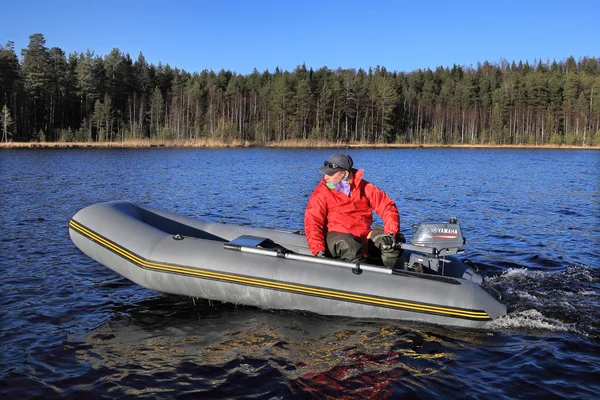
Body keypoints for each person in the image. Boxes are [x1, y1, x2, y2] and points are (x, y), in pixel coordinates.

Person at [304, 154, 403, 268]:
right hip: (336, 237)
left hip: (363, 235)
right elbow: (313, 222)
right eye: (326, 173)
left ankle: (390, 276)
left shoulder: (365, 187)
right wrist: (318, 251)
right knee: (349, 245)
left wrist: (390, 233)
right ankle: (366, 277)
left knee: (392, 243)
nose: (326, 177)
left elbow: (388, 207)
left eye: (330, 173)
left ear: (344, 174)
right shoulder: (321, 192)